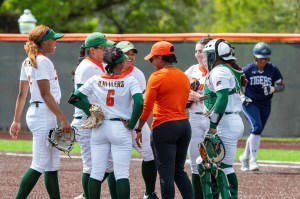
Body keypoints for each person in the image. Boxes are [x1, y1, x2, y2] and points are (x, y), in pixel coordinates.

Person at [68, 46, 144, 199]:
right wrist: (132, 124)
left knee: (96, 172)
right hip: (120, 127)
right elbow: (140, 103)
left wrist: (91, 110)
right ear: (120, 63)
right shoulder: (130, 79)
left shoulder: (96, 79)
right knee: (122, 173)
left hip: (100, 127)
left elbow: (74, 98)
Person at [9, 24, 73, 199]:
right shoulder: (43, 61)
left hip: (38, 111)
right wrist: (63, 119)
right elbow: (45, 94)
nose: (56, 43)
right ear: (45, 42)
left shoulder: (27, 60)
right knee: (38, 164)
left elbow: (22, 94)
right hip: (44, 113)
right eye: (54, 39)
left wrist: (16, 120)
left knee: (52, 165)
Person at [135, 41, 193, 199]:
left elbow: (147, 106)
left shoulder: (157, 76)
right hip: (184, 125)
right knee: (179, 171)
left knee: (165, 173)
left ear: (160, 58)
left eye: (152, 59)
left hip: (165, 126)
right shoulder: (183, 76)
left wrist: (139, 128)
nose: (152, 62)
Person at [70, 32, 115, 199]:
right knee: (90, 166)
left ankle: (86, 195)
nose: (107, 51)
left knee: (109, 163)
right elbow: (76, 97)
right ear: (92, 50)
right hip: (86, 121)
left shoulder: (98, 65)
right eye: (103, 48)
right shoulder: (87, 66)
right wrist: (93, 112)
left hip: (97, 120)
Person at [200, 38, 244, 198]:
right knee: (221, 166)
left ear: (216, 55)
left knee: (221, 167)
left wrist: (212, 126)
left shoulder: (219, 71)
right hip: (230, 120)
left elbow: (223, 98)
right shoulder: (227, 69)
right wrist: (200, 98)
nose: (206, 57)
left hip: (225, 122)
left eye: (208, 54)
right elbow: (217, 95)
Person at [115, 41, 158, 199]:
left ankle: (149, 192)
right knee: (109, 164)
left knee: (150, 154)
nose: (130, 57)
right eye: (127, 53)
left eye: (132, 54)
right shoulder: (108, 70)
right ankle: (88, 193)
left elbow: (140, 103)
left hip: (134, 121)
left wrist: (135, 125)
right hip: (112, 122)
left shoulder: (137, 74)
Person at [239, 42, 285, 171]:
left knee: (256, 132)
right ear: (255, 57)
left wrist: (273, 88)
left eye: (265, 58)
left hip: (265, 104)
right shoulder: (248, 69)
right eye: (260, 58)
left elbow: (282, 85)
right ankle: (253, 160)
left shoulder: (273, 69)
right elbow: (236, 83)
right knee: (257, 127)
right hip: (250, 103)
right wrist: (242, 95)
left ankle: (245, 156)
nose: (263, 60)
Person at [184, 37, 212, 199]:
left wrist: (198, 97)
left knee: (214, 163)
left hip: (212, 119)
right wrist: (185, 97)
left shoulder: (218, 70)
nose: (197, 55)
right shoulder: (192, 70)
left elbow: (220, 96)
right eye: (196, 51)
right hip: (194, 118)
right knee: (194, 162)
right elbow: (180, 90)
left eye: (201, 51)